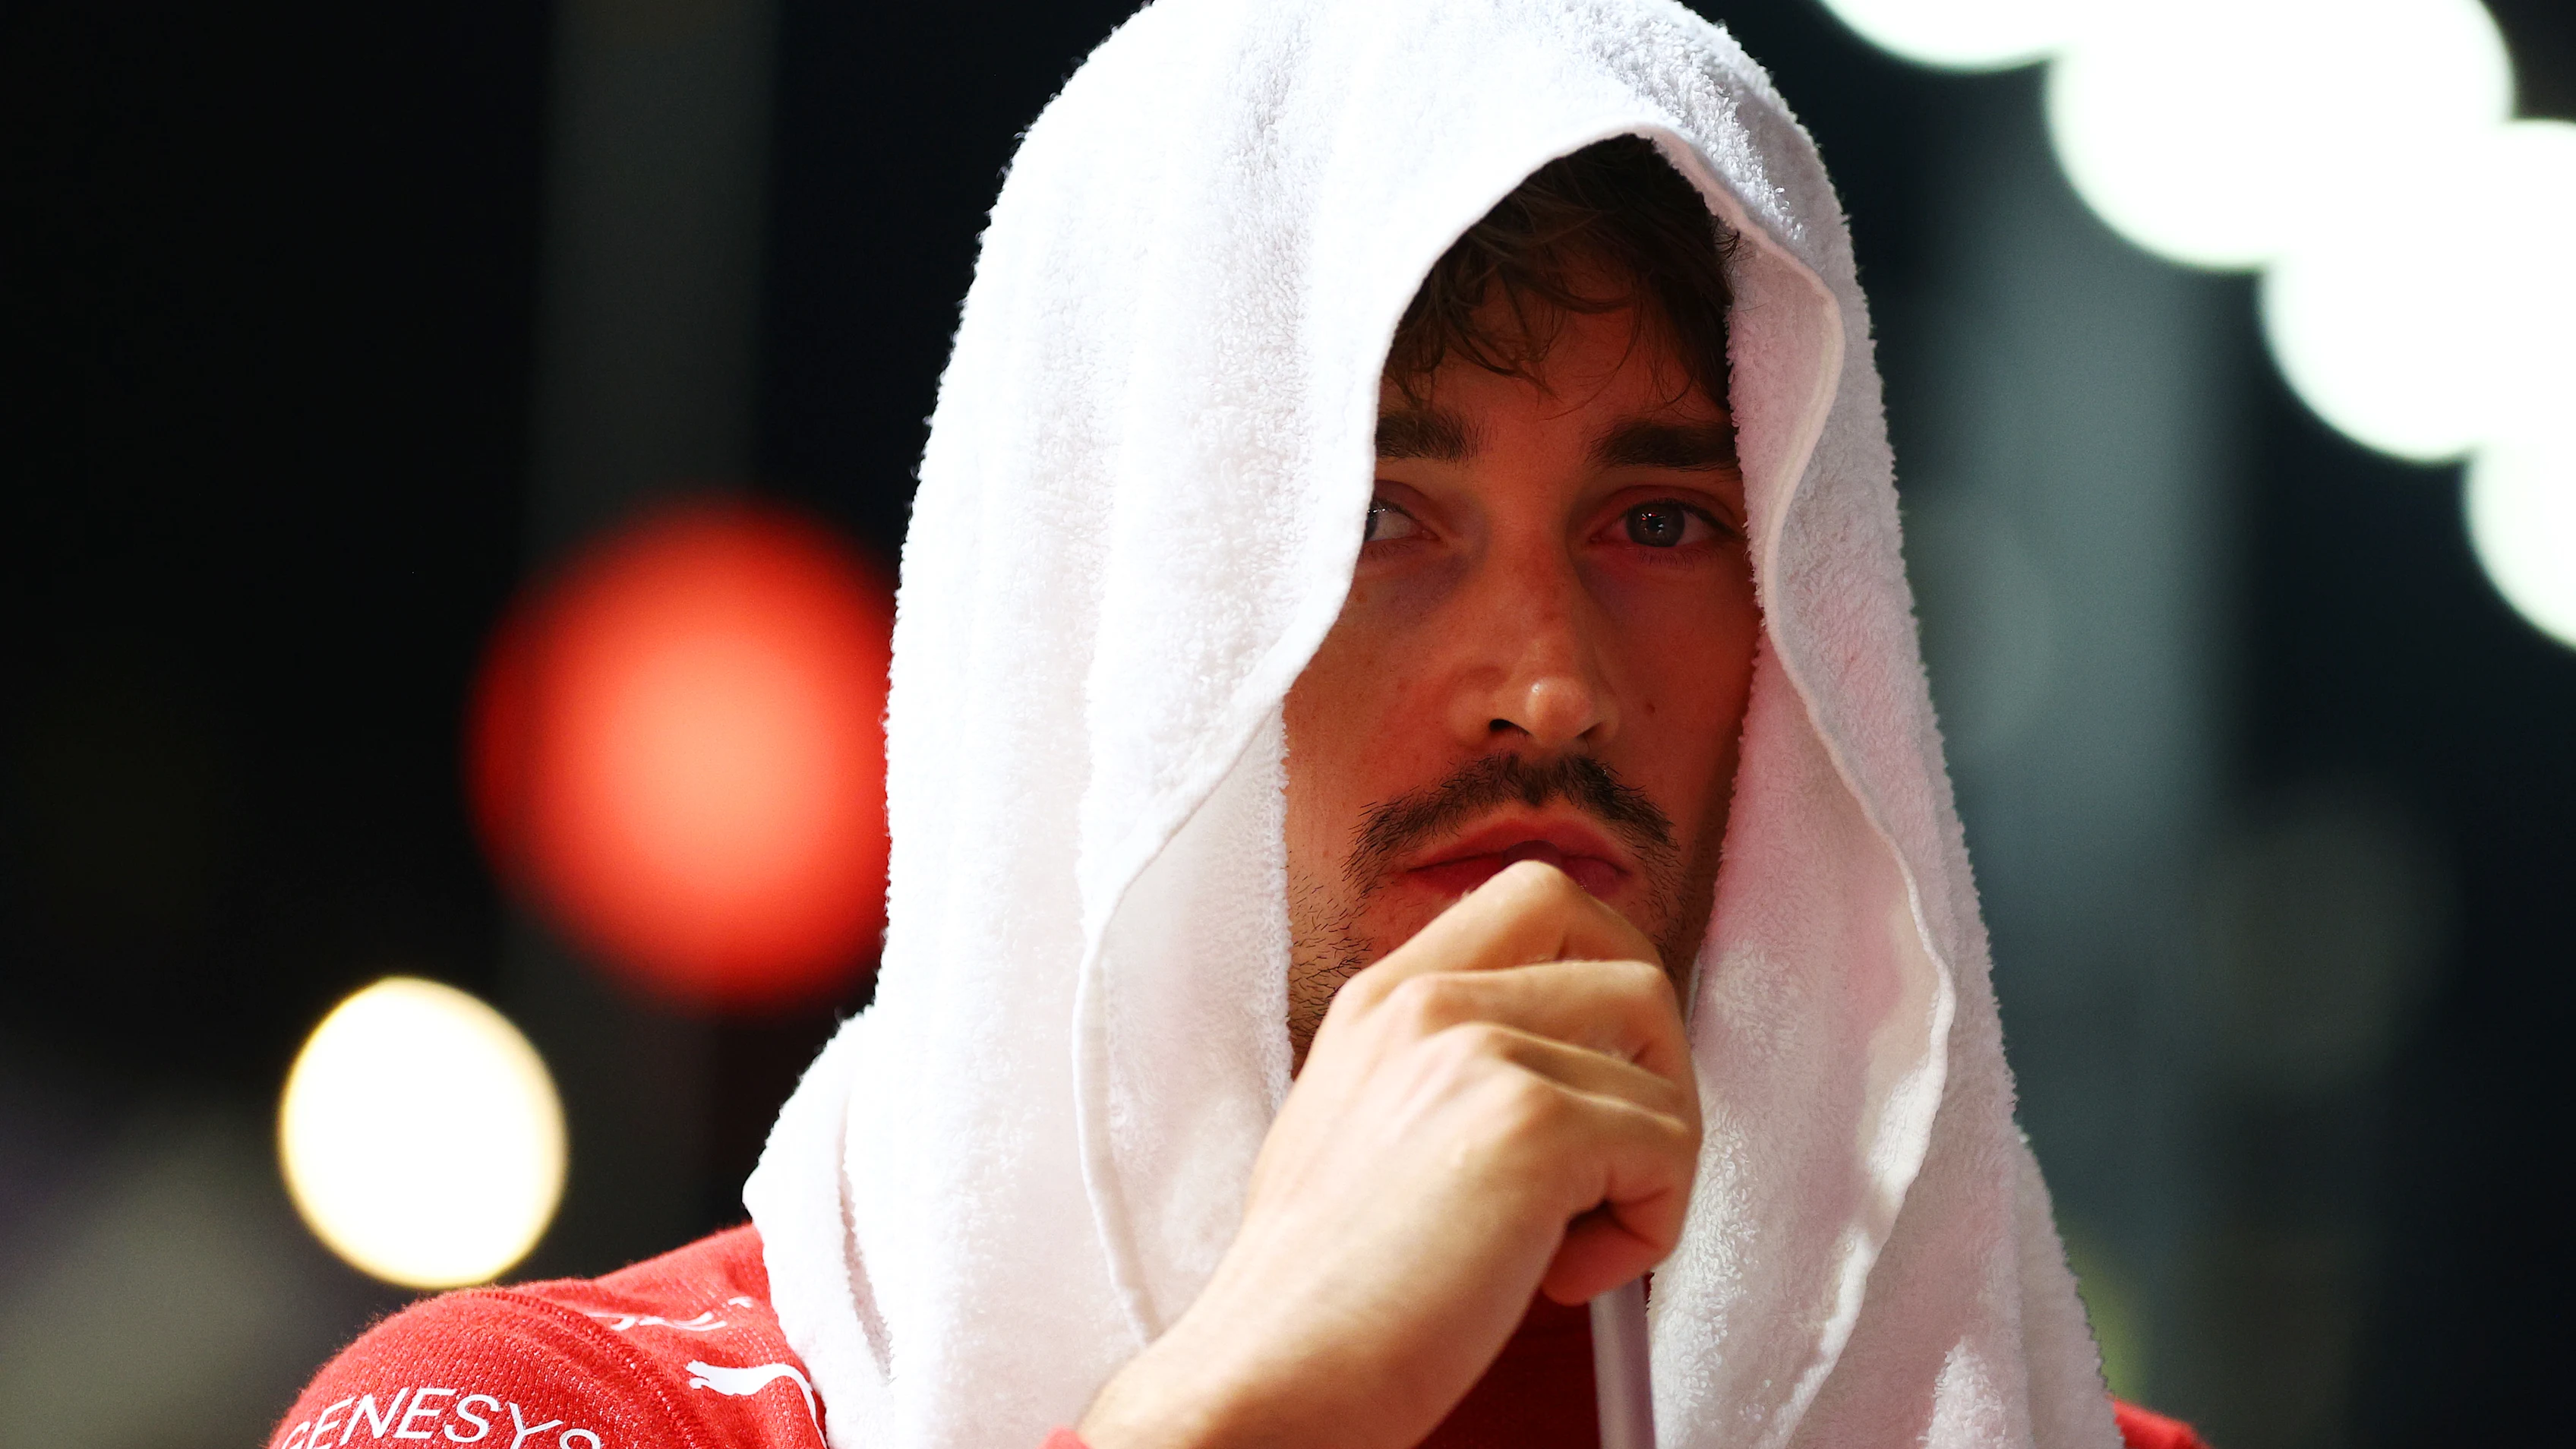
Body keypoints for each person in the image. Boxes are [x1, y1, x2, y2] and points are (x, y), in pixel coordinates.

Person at [274, 4, 2211, 1447]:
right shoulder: (537, 1419)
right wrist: (1261, 1403)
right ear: (1105, 617)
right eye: (1372, 521)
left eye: (1657, 524)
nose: (1547, 684)